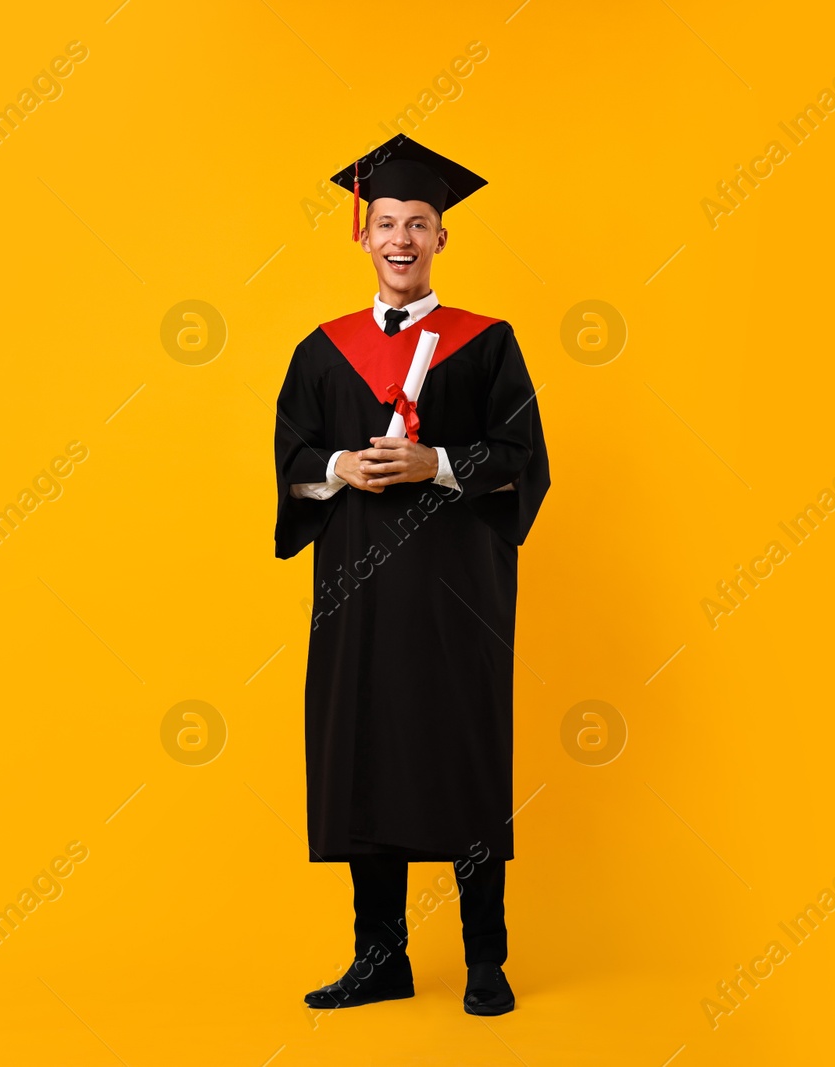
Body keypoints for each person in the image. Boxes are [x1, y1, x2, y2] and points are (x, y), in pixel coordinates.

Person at [272, 134, 551, 1017]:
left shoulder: (487, 344)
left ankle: (485, 961)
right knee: (366, 752)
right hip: (359, 588)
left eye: (418, 223)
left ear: (440, 237)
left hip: (458, 590)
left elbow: (522, 456)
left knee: (464, 754)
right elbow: (292, 452)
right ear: (364, 235)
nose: (400, 238)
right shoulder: (323, 350)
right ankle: (379, 957)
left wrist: (435, 462)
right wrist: (335, 468)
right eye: (385, 222)